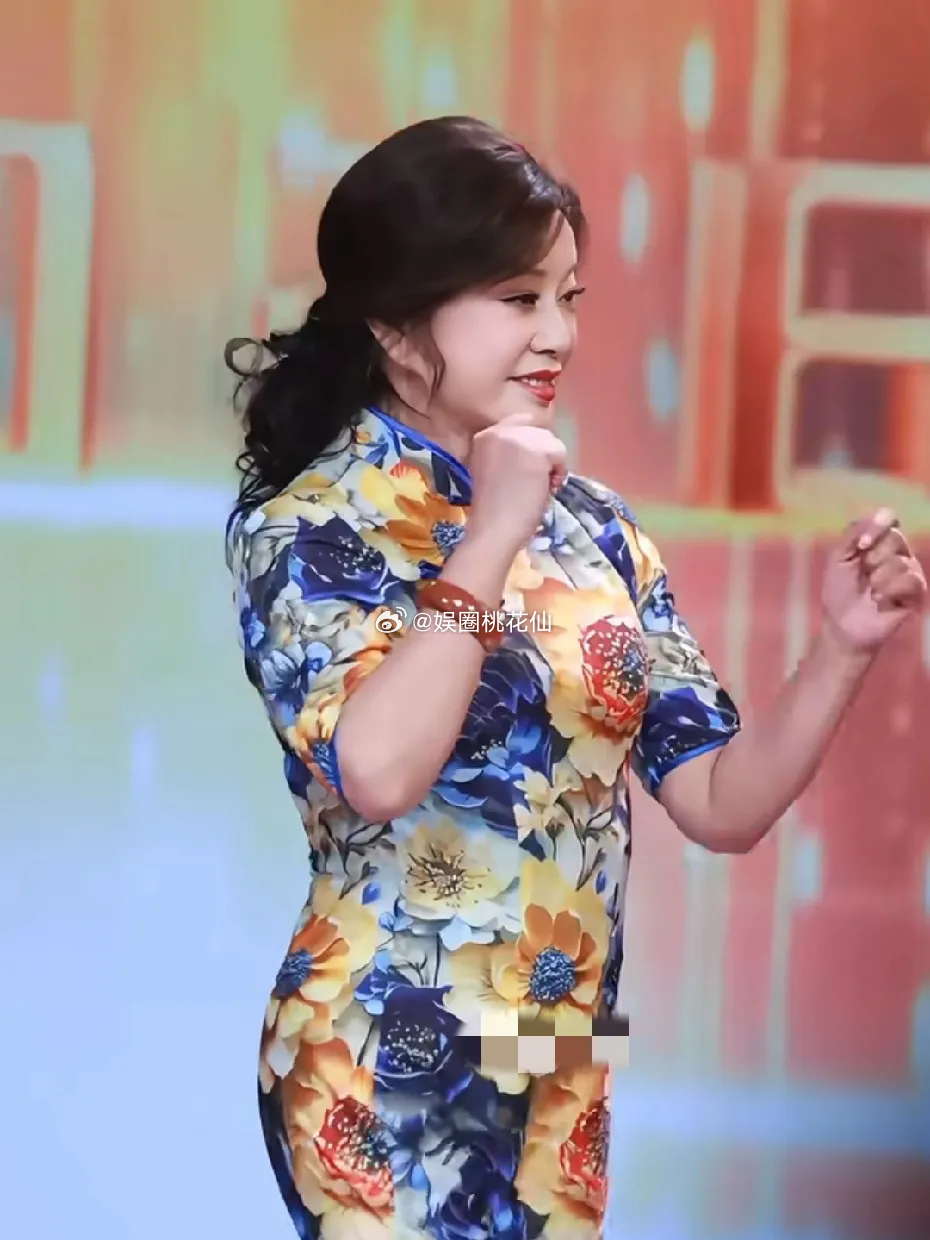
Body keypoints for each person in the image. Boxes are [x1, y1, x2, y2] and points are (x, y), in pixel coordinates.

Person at [224, 116, 927, 1240]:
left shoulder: (597, 529)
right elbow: (379, 771)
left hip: (560, 1057)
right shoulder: (311, 523)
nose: (557, 334)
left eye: (569, 297)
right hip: (381, 1048)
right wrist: (493, 528)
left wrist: (841, 646)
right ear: (397, 328)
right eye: (518, 300)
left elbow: (721, 801)